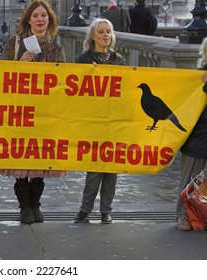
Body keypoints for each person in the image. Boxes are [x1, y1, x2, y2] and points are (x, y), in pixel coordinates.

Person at [0, 0, 66, 224]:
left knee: (41, 161)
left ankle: (36, 204)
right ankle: (24, 206)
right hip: (20, 111)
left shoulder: (57, 49)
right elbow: (1, 76)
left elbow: (64, 81)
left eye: (44, 15)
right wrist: (19, 63)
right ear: (28, 20)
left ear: (49, 20)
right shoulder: (14, 44)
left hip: (45, 112)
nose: (40, 19)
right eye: (35, 15)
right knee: (21, 160)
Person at [73, 18, 126, 224]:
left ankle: (106, 210)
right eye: (101, 32)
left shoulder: (119, 59)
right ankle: (85, 209)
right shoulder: (84, 59)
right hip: (93, 120)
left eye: (108, 32)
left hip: (114, 119)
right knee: (94, 168)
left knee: (111, 169)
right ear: (93, 36)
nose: (105, 35)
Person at [175, 37, 207, 231]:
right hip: (197, 136)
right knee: (189, 179)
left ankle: (201, 215)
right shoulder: (197, 76)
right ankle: (183, 216)